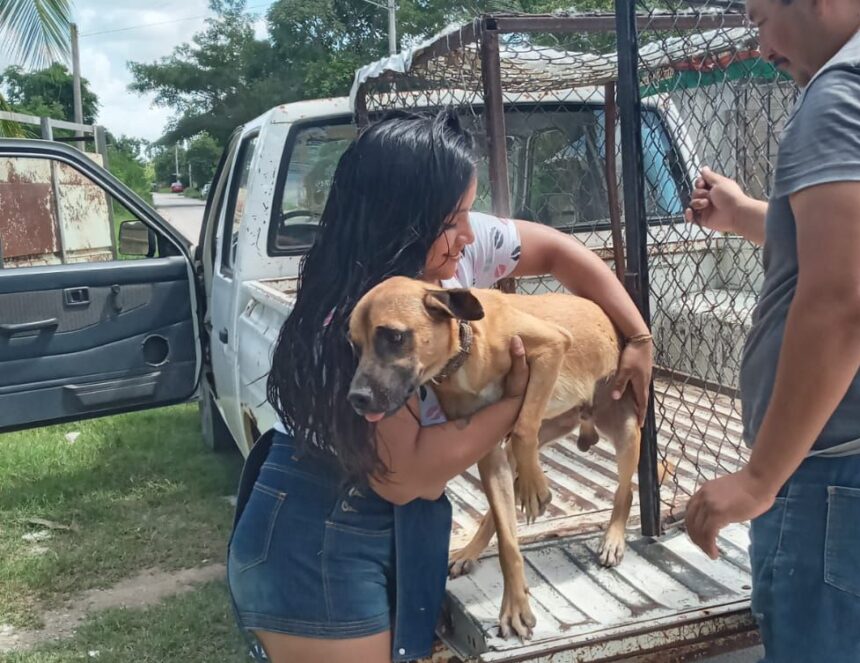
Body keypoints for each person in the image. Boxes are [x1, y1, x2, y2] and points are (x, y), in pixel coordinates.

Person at [226, 109, 653, 663]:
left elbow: (558, 250)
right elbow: (406, 476)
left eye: (468, 212)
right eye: (453, 219)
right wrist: (523, 409)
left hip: (395, 521)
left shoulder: (451, 257)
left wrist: (638, 337)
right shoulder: (367, 322)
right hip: (323, 535)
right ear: (403, 221)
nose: (470, 234)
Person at [684, 0, 860, 660]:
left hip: (828, 480)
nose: (760, 45)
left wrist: (759, 477)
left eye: (760, 18)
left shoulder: (837, 97)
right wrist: (749, 217)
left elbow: (841, 301)